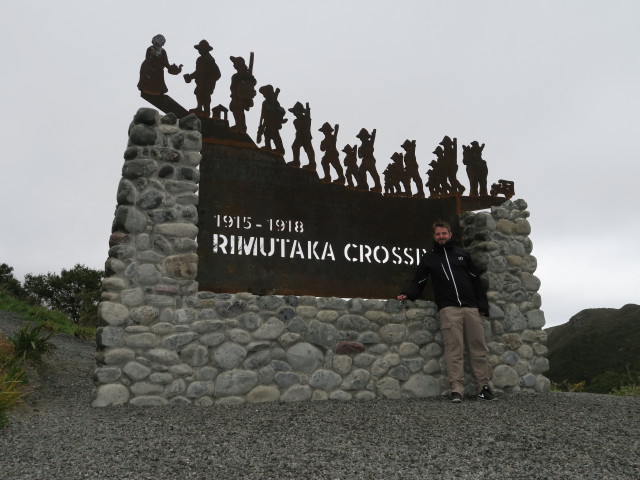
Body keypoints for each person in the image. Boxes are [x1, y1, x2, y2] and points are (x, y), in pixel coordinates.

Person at [397, 220, 495, 403]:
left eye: (444, 233)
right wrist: (407, 294)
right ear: (434, 236)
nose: (441, 237)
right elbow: (419, 281)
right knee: (454, 350)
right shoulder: (429, 258)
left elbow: (476, 281)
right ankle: (457, 389)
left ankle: (484, 387)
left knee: (478, 349)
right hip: (449, 309)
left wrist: (482, 305)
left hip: (471, 308)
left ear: (450, 234)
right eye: (438, 234)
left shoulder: (462, 255)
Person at [183, 39, 221, 118]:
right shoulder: (205, 59)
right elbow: (199, 72)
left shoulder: (206, 60)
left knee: (204, 95)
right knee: (200, 94)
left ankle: (204, 110)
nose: (199, 51)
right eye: (199, 49)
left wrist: (210, 80)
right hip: (203, 82)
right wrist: (191, 76)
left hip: (205, 83)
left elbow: (217, 74)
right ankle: (201, 108)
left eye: (200, 49)